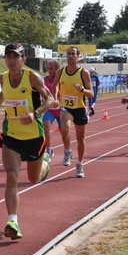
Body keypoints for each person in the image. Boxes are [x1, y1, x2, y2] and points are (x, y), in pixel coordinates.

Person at [0, 43, 54, 240]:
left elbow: (50, 100)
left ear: (23, 60)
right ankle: (13, 221)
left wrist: (35, 113)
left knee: (33, 179)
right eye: (8, 57)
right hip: (12, 135)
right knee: (11, 176)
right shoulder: (2, 78)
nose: (11, 61)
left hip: (33, 136)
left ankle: (45, 160)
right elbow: (4, 93)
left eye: (15, 57)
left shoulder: (31, 77)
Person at [52, 46, 94, 178]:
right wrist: (55, 97)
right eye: (68, 54)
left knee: (81, 139)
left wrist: (82, 90)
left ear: (78, 57)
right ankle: (67, 151)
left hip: (80, 108)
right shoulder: (60, 71)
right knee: (65, 129)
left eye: (73, 54)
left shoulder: (83, 73)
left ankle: (80, 164)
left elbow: (91, 94)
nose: (70, 56)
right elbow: (54, 85)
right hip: (66, 107)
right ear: (66, 56)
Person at [43, 60, 61, 159]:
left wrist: (58, 99)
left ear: (57, 69)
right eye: (48, 68)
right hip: (50, 109)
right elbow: (43, 92)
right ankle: (48, 149)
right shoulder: (46, 79)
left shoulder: (62, 81)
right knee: (45, 127)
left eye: (51, 69)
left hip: (61, 110)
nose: (49, 71)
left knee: (64, 132)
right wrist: (44, 98)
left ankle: (67, 150)